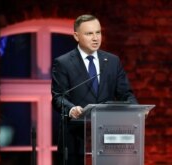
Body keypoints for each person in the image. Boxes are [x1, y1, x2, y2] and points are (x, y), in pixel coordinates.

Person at [51, 14, 138, 165]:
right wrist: (72, 109)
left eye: (98, 32)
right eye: (89, 33)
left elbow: (125, 93)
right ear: (76, 36)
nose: (95, 38)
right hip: (75, 138)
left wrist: (136, 110)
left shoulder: (112, 61)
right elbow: (58, 97)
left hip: (108, 136)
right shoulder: (63, 63)